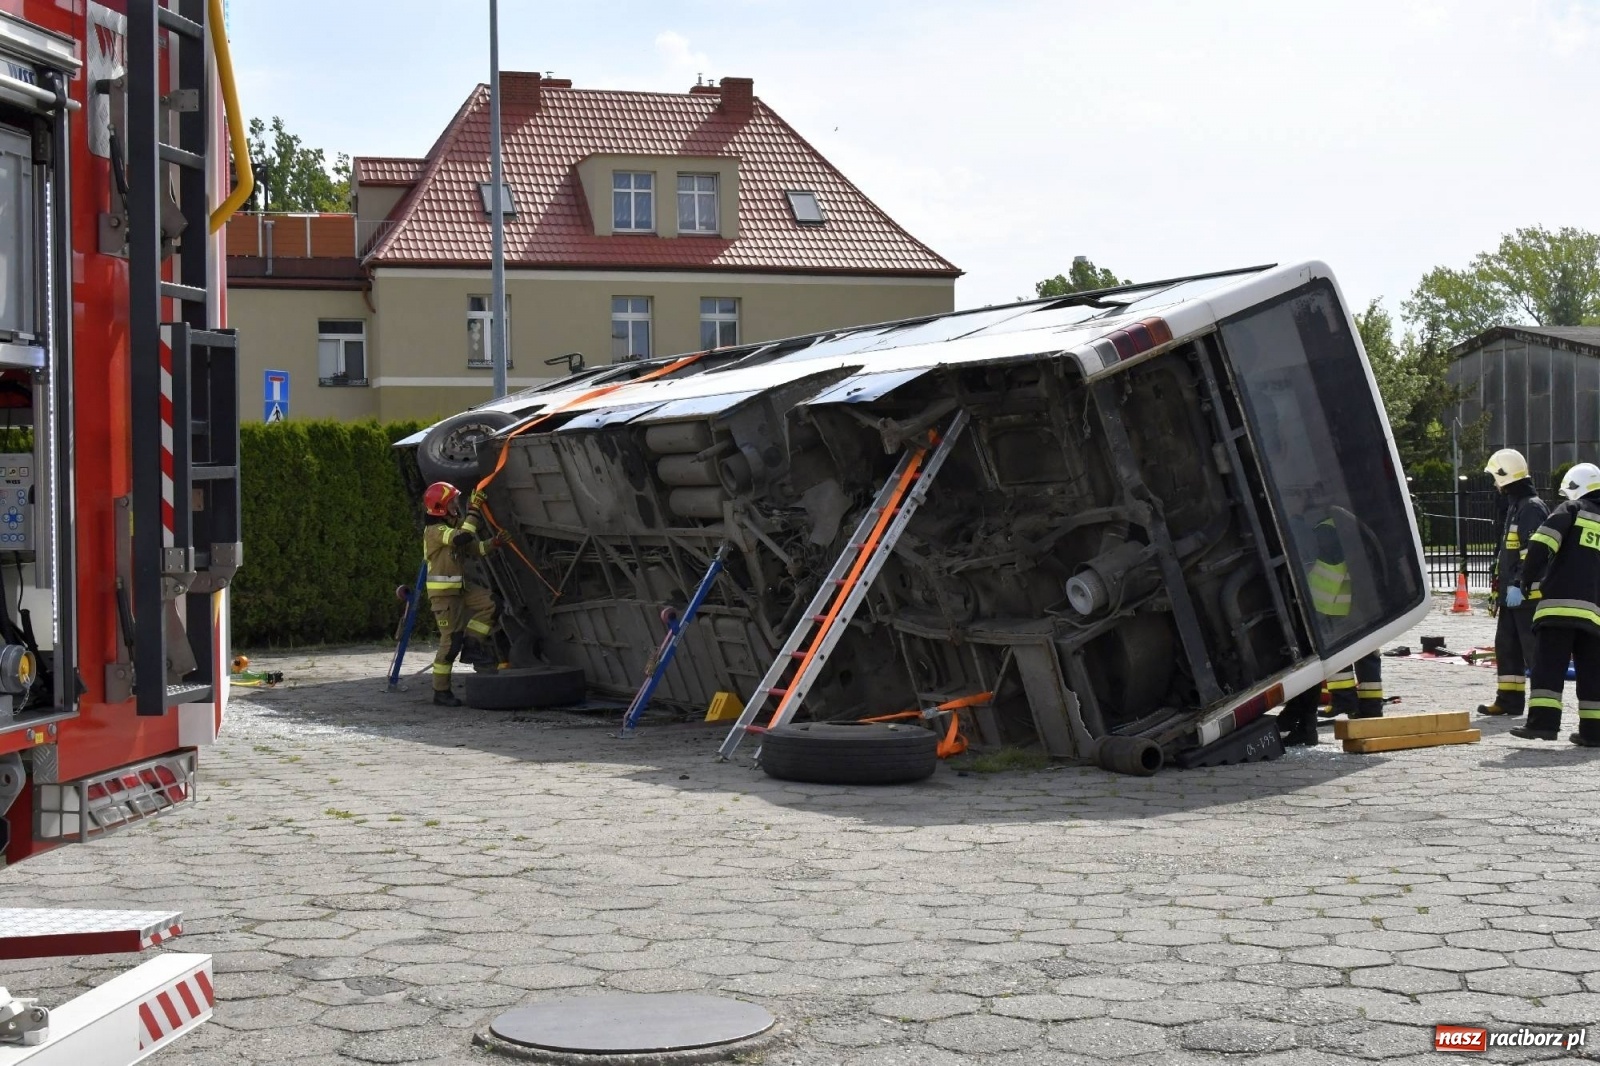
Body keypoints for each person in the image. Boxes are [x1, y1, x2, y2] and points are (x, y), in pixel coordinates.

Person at [1508, 462, 1600, 746]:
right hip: (1595, 615)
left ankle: (1543, 724)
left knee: (1548, 665)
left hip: (1560, 606)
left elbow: (1542, 543)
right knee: (1593, 672)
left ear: (1575, 487)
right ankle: (1594, 732)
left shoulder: (1572, 509)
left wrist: (1525, 577)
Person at [1280, 515, 1383, 745]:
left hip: (1332, 604)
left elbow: (1323, 568)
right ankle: (1371, 707)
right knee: (1368, 653)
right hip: (1362, 602)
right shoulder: (1361, 524)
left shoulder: (1326, 529)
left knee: (1337, 655)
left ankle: (1345, 700)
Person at [1477, 449, 1549, 718]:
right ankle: (1508, 700)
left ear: (1504, 477)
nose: (1494, 484)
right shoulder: (1516, 506)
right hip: (1512, 597)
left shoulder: (1531, 507)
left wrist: (1519, 583)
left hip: (1528, 597)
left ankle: (1543, 708)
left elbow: (1533, 552)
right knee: (1507, 647)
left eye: (1495, 477)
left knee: (1534, 653)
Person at [422, 481, 504, 707]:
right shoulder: (435, 531)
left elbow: (475, 548)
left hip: (459, 589)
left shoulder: (453, 525)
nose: (456, 505)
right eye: (452, 502)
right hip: (444, 596)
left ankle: (472, 645)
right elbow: (462, 538)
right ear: (441, 507)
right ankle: (441, 692)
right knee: (450, 643)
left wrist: (495, 542)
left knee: (492, 603)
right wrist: (474, 509)